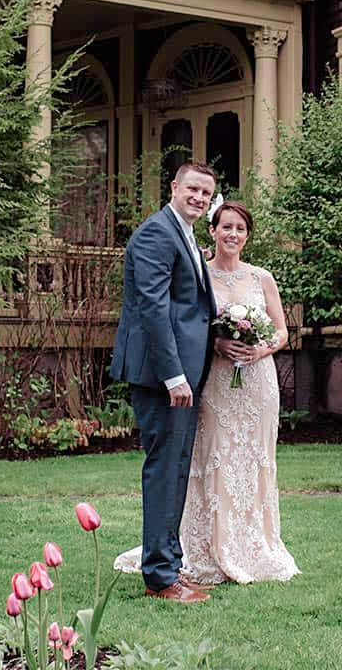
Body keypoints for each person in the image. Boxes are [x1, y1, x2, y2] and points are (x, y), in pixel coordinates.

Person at [114, 198, 298, 587]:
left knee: (254, 459)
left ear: (248, 236)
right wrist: (218, 344)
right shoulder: (200, 273)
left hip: (257, 382)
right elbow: (187, 321)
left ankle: (254, 544)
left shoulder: (261, 277)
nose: (233, 234)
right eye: (226, 227)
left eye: (240, 229)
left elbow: (282, 330)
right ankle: (206, 545)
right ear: (212, 231)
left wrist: (260, 348)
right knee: (213, 456)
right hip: (214, 380)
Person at [108, 162, 219, 605]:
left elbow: (190, 305)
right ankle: (158, 577)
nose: (198, 197)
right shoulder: (157, 234)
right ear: (174, 187)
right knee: (163, 471)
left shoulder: (185, 235)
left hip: (184, 375)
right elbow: (153, 310)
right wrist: (174, 375)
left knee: (176, 471)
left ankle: (170, 566)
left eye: (206, 193)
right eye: (192, 188)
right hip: (163, 378)